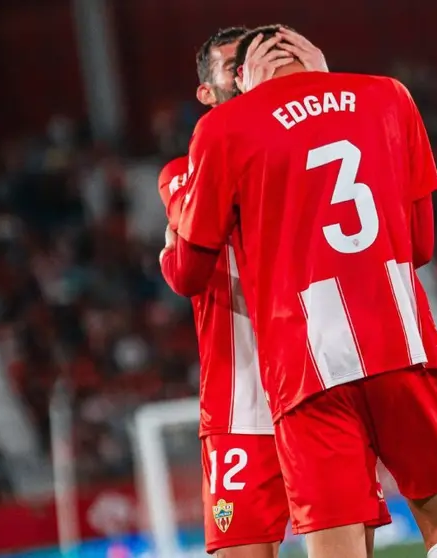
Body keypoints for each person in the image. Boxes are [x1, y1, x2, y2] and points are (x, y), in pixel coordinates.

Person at [163, 25, 437, 558]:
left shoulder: (222, 133)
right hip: (397, 343)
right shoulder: (387, 95)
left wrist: (169, 253)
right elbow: (420, 244)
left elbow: (186, 273)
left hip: (304, 366)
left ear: (248, 73)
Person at [157, 27, 387, 558]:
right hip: (242, 403)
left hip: (320, 384)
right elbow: (188, 271)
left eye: (256, 62)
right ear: (206, 93)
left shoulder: (313, 152)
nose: (248, 76)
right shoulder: (184, 171)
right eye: (233, 69)